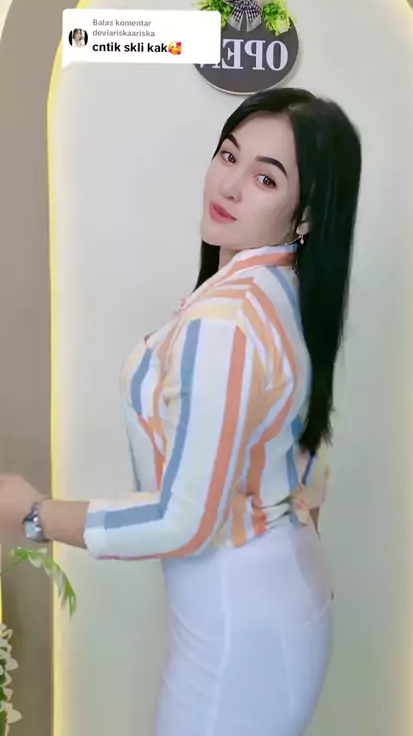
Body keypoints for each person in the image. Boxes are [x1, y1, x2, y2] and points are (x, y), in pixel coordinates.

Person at [0, 87, 362, 736]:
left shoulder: (224, 323)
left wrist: (34, 515)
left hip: (238, 631)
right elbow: (302, 455)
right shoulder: (285, 290)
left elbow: (184, 522)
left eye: (265, 178)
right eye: (229, 155)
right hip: (280, 602)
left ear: (305, 213)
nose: (229, 185)